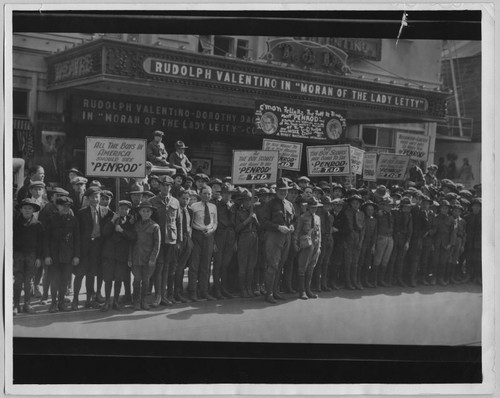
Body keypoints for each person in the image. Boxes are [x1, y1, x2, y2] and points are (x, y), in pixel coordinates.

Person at [73, 186, 114, 310]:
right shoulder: (81, 212)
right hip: (85, 248)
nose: (95, 200)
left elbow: (114, 221)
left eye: (97, 197)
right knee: (80, 274)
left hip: (98, 248)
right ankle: (75, 299)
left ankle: (89, 300)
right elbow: (77, 233)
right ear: (88, 198)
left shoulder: (106, 211)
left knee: (91, 275)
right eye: (92, 197)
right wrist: (77, 252)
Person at [260, 178, 295, 304]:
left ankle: (275, 291)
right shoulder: (269, 204)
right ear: (276, 190)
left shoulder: (289, 204)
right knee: (273, 265)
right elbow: (263, 222)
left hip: (286, 237)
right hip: (273, 236)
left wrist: (291, 227)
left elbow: (292, 220)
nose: (283, 192)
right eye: (280, 190)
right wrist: (278, 227)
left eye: (285, 190)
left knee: (280, 265)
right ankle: (268, 293)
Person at [43, 196, 80, 313]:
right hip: (54, 255)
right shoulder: (51, 219)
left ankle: (61, 302)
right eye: (63, 206)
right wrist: (47, 255)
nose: (66, 208)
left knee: (64, 280)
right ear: (57, 206)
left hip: (68, 255)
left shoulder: (73, 220)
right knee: (55, 280)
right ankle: (53, 303)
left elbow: (77, 239)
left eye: (68, 206)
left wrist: (76, 256)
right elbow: (46, 239)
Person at [101, 200, 137, 311]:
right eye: (122, 208)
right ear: (118, 209)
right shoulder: (110, 219)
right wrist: (112, 221)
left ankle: (116, 301)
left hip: (122, 256)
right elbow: (105, 232)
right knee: (107, 279)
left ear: (129, 210)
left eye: (126, 209)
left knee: (118, 279)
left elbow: (132, 237)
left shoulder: (130, 223)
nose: (124, 211)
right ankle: (107, 301)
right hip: (110, 254)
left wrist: (122, 230)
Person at [150, 175, 180, 307]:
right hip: (158, 239)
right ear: (159, 186)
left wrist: (178, 240)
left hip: (171, 239)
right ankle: (157, 296)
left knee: (167, 268)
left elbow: (178, 222)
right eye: (163, 185)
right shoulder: (152, 201)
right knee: (159, 267)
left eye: (168, 185)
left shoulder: (175, 201)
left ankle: (164, 295)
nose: (165, 188)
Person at [13, 198, 44, 314]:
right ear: (20, 210)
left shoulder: (38, 225)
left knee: (28, 281)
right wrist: (11, 257)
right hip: (18, 255)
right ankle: (16, 305)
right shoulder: (15, 224)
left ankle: (27, 304)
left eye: (30, 208)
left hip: (32, 255)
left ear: (33, 210)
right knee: (18, 280)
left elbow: (41, 243)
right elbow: (10, 241)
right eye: (25, 208)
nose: (27, 210)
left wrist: (39, 258)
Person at [188, 186, 218, 301]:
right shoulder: (194, 206)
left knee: (206, 266)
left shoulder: (213, 207)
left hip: (209, 236)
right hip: (197, 236)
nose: (207, 196)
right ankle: (192, 292)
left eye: (209, 194)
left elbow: (215, 223)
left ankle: (204, 292)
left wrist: (211, 231)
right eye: (205, 193)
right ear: (200, 194)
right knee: (194, 265)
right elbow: (190, 223)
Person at [130, 200, 161, 310]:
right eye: (143, 211)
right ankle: (136, 301)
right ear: (139, 212)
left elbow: (157, 245)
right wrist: (130, 258)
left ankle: (144, 301)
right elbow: (132, 243)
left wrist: (152, 259)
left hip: (148, 259)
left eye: (148, 211)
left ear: (151, 213)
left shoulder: (155, 226)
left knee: (146, 280)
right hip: (137, 257)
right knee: (137, 280)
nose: (146, 213)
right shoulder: (136, 225)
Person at [294, 197, 322, 300]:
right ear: (308, 207)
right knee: (302, 267)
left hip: (316, 244)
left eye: (315, 207)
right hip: (306, 245)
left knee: (311, 267)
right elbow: (297, 232)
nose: (314, 209)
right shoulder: (302, 217)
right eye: (312, 207)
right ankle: (302, 291)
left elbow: (320, 233)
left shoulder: (318, 218)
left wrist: (319, 245)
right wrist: (295, 244)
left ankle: (308, 289)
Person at [212, 183, 236, 299]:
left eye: (229, 194)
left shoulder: (232, 206)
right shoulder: (216, 205)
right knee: (218, 264)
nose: (227, 196)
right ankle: (216, 289)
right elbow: (218, 223)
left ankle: (224, 288)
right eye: (225, 193)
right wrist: (214, 242)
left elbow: (234, 224)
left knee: (226, 264)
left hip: (230, 237)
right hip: (220, 236)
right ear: (221, 194)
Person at [234, 189, 259, 298]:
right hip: (244, 238)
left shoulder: (254, 212)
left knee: (251, 265)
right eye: (246, 201)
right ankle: (242, 289)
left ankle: (249, 287)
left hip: (254, 237)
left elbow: (260, 227)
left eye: (250, 200)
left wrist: (255, 219)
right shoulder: (238, 212)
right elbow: (237, 228)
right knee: (243, 265)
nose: (248, 203)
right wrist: (247, 221)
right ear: (242, 202)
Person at [338, 194, 364, 290]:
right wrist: (344, 241)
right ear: (350, 204)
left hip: (357, 237)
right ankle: (347, 282)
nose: (356, 205)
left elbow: (363, 229)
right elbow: (343, 228)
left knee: (355, 262)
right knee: (347, 261)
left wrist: (360, 241)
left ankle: (355, 281)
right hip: (348, 237)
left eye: (358, 203)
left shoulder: (361, 214)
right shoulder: (345, 213)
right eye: (354, 203)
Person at [408, 193, 434, 286]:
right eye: (423, 203)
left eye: (427, 204)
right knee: (415, 260)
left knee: (424, 260)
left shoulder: (431, 214)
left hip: (427, 240)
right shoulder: (416, 211)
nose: (425, 205)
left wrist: (430, 232)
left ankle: (422, 278)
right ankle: (412, 279)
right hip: (417, 238)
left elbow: (433, 227)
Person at [386, 197, 413, 287]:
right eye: (405, 207)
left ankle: (399, 279)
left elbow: (410, 230)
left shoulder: (409, 216)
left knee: (400, 261)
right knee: (392, 259)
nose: (407, 209)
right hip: (394, 238)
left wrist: (407, 242)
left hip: (403, 239)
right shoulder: (394, 212)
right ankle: (389, 279)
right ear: (401, 206)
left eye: (408, 207)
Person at [172, 190, 193, 303]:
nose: (185, 201)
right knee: (176, 268)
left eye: (187, 199)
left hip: (187, 239)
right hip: (177, 240)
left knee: (182, 267)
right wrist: (177, 241)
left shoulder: (190, 210)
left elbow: (190, 225)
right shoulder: (175, 210)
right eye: (183, 198)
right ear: (179, 198)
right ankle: (175, 293)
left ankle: (179, 291)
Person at [430, 200, 455, 286]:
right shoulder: (436, 218)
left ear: (448, 209)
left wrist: (450, 244)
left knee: (443, 262)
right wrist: (432, 243)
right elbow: (433, 231)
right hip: (437, 243)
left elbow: (453, 233)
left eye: (446, 208)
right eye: (443, 208)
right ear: (440, 209)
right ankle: (434, 278)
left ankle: (441, 278)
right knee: (435, 261)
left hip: (446, 244)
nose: (444, 210)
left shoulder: (451, 219)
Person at [373, 197, 394, 287]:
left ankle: (381, 280)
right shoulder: (379, 215)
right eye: (387, 205)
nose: (389, 207)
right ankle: (374, 280)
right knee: (378, 259)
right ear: (383, 206)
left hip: (390, 238)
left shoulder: (392, 215)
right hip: (381, 237)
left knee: (385, 260)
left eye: (390, 206)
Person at [358, 200, 378, 288]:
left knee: (367, 262)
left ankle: (365, 280)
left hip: (370, 243)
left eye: (372, 210)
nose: (370, 211)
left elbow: (375, 234)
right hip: (363, 242)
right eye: (368, 210)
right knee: (360, 261)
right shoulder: (362, 219)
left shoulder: (374, 220)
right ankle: (358, 280)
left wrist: (373, 245)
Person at [463, 198, 481, 284]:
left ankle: (478, 276)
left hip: (479, 242)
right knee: (469, 258)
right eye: (475, 206)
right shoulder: (467, 217)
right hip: (469, 241)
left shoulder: (483, 218)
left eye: (478, 206)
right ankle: (468, 275)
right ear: (472, 207)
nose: (476, 208)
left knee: (478, 259)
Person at [448, 204, 466, 284]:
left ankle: (452, 276)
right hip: (451, 240)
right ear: (452, 211)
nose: (457, 213)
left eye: (459, 211)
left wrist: (462, 245)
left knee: (455, 259)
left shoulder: (463, 221)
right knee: (449, 258)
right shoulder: (450, 219)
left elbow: (464, 234)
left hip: (459, 240)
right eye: (455, 211)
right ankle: (446, 277)